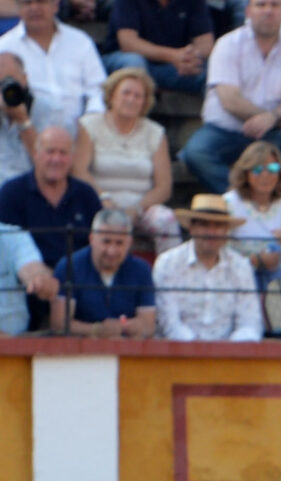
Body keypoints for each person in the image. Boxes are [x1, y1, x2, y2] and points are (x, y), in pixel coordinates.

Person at [183, 0, 281, 197]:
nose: (268, 10)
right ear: (248, 11)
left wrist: (273, 119)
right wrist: (276, 117)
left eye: (274, 5)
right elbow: (230, 100)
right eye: (261, 4)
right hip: (227, 133)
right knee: (195, 152)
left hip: (272, 135)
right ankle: (241, 201)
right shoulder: (227, 44)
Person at [71, 68, 174, 262]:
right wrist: (104, 198)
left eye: (138, 96)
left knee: (166, 220)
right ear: (111, 95)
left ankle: (168, 276)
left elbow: (164, 187)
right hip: (99, 202)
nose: (131, 99)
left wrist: (137, 208)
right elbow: (79, 171)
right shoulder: (89, 125)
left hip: (141, 207)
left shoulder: (155, 133)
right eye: (126, 93)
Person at [0, 124, 99, 315]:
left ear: (71, 158)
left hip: (79, 294)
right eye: (50, 151)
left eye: (63, 153)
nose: (56, 159)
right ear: (35, 153)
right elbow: (9, 248)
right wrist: (43, 278)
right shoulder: (11, 193)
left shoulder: (87, 195)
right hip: (27, 291)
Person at [0, 0, 103, 132]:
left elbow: (98, 91)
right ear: (18, 8)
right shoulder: (5, 48)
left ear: (55, 5)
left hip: (79, 135)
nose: (34, 8)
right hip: (25, 135)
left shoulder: (80, 42)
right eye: (27, 2)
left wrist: (88, 129)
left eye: (41, 1)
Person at [153, 194, 262, 338]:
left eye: (218, 226)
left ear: (226, 231)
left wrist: (231, 351)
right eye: (204, 224)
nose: (211, 232)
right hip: (178, 355)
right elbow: (168, 322)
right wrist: (198, 352)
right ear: (192, 228)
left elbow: (250, 322)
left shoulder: (240, 266)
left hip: (229, 356)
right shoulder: (168, 263)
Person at [222, 138, 281, 300]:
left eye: (272, 168)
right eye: (257, 169)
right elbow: (221, 258)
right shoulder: (229, 203)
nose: (266, 175)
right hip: (241, 277)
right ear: (246, 173)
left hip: (279, 276)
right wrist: (257, 261)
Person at [106, 0, 214, 95]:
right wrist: (173, 55)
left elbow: (205, 42)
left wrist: (189, 56)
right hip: (129, 61)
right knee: (134, 63)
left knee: (215, 72)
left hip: (173, 67)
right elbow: (128, 43)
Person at [54, 202, 153, 334]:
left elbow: (149, 326)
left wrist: (137, 327)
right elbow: (59, 324)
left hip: (126, 348)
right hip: (79, 350)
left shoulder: (142, 270)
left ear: (130, 243)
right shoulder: (69, 266)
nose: (111, 251)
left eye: (119, 243)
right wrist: (97, 330)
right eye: (106, 241)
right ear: (92, 239)